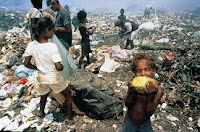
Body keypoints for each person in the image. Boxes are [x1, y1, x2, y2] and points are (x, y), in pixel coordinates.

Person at [24, 17, 73, 120]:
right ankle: (69, 118)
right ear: (46, 31)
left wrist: (37, 67)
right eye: (52, 30)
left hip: (41, 77)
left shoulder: (31, 45)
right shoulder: (52, 46)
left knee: (44, 94)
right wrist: (62, 66)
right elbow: (58, 67)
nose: (54, 32)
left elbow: (26, 63)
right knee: (68, 93)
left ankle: (41, 112)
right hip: (53, 77)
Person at [122, 52, 164, 132]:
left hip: (144, 124)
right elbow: (127, 104)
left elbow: (149, 112)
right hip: (130, 121)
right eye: (139, 71)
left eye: (147, 69)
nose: (143, 74)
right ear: (135, 73)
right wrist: (131, 92)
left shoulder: (158, 91)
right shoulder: (134, 87)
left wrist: (150, 95)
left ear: (154, 71)